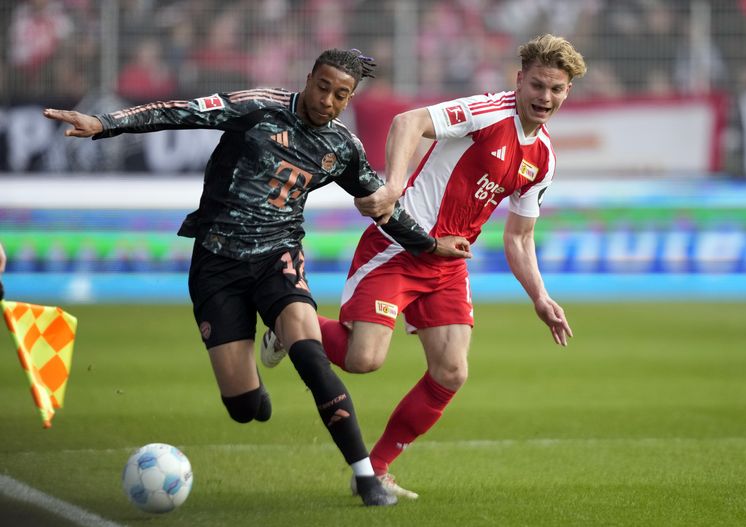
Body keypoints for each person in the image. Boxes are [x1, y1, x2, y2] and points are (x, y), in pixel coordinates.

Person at [43, 48, 471, 507]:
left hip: (278, 258)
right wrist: (106, 123)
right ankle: (260, 373)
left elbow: (384, 205)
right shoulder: (259, 106)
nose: (327, 100)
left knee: (312, 358)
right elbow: (182, 111)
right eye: (322, 87)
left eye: (340, 95)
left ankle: (366, 476)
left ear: (349, 99)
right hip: (217, 263)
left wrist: (428, 245)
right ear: (308, 78)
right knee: (246, 409)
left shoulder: (342, 147)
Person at [262, 34, 585, 499]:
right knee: (363, 359)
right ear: (520, 80)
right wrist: (394, 186)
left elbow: (519, 237)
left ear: (567, 92)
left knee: (452, 372)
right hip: (400, 244)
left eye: (556, 89)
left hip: (449, 262)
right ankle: (287, 326)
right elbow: (408, 121)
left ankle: (374, 470)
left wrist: (541, 297)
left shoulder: (544, 158)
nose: (545, 97)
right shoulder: (488, 111)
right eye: (537, 85)